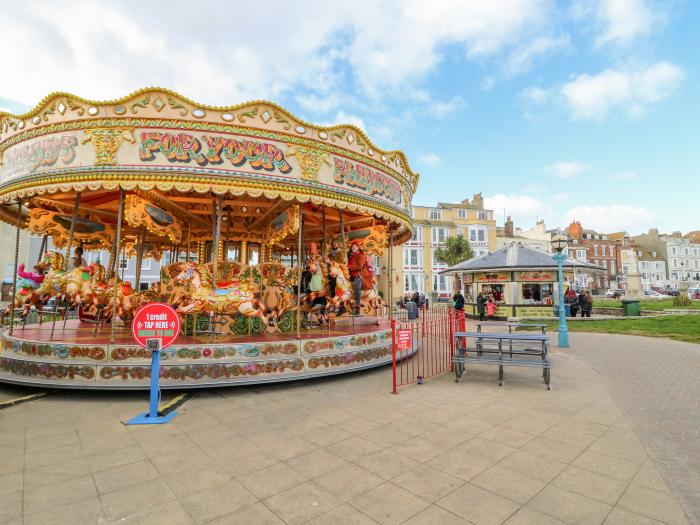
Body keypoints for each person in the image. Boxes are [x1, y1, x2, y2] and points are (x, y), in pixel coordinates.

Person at [346, 241, 372, 315]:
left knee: (357, 287)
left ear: (358, 248)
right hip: (350, 275)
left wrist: (348, 267)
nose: (353, 248)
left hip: (360, 274)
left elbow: (359, 266)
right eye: (352, 247)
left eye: (355, 247)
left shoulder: (360, 255)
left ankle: (357, 306)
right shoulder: (350, 256)